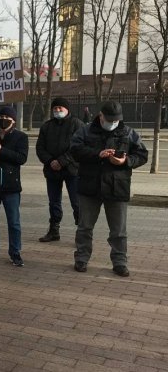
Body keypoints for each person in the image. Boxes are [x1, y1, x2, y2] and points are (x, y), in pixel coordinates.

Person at [70, 101, 148, 277]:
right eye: (109, 119)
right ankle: (81, 258)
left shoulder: (128, 132)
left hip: (117, 187)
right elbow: (74, 149)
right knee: (84, 227)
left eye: (116, 120)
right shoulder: (86, 130)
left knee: (119, 230)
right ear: (101, 116)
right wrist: (97, 154)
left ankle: (120, 261)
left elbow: (142, 155)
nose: (112, 123)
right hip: (90, 186)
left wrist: (125, 162)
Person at [36, 97, 85, 242]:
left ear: (67, 109)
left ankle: (81, 233)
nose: (57, 111)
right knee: (54, 202)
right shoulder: (47, 126)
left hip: (72, 170)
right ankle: (54, 230)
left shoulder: (77, 124)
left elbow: (79, 147)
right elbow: (40, 148)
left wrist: (62, 161)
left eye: (60, 108)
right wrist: (51, 161)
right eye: (55, 108)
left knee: (76, 202)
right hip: (52, 170)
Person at [0, 106, 28, 266]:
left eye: (7, 118)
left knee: (14, 222)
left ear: (13, 120)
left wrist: (1, 150)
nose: (3, 120)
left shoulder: (20, 137)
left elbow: (21, 158)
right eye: (1, 117)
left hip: (11, 186)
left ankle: (15, 252)